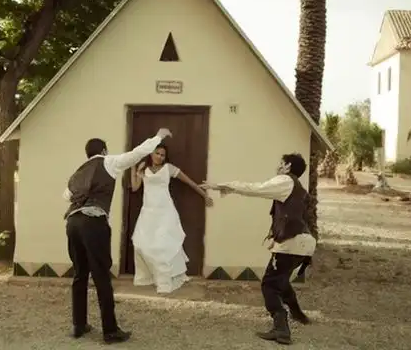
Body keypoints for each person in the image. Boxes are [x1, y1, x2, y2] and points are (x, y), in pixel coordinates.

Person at [63, 128, 172, 344]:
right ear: (103, 151)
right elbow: (137, 153)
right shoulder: (108, 161)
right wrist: (158, 137)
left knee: (80, 274)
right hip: (93, 223)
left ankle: (78, 325)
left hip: (73, 223)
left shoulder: (79, 172)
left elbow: (67, 195)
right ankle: (110, 331)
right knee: (102, 276)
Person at [201, 153, 315, 346]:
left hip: (292, 245)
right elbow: (292, 218)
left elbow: (256, 189)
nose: (278, 167)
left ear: (288, 166)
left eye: (281, 164)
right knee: (280, 279)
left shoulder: (285, 181)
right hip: (303, 245)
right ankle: (298, 314)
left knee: (269, 285)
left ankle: (281, 329)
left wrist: (223, 185)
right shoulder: (297, 188)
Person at [129, 143, 213, 294]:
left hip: (165, 211)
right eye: (157, 153)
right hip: (148, 211)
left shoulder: (169, 168)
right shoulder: (144, 169)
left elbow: (190, 182)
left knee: (164, 245)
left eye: (162, 155)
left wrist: (204, 195)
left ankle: (166, 279)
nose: (160, 157)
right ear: (151, 154)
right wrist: (133, 168)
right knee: (141, 243)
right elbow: (135, 187)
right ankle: (149, 276)